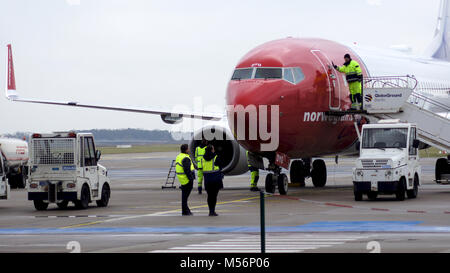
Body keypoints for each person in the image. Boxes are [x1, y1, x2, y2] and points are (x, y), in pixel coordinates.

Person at [202, 145, 224, 217]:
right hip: (215, 179)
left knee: (209, 196)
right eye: (213, 149)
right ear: (212, 150)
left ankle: (210, 211)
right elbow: (221, 166)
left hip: (207, 180)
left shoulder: (203, 158)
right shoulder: (215, 157)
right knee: (214, 196)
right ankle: (212, 211)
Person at [175, 144, 196, 216]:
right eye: (188, 149)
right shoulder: (186, 158)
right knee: (185, 197)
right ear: (186, 150)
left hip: (182, 179)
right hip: (186, 179)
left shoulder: (179, 156)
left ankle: (186, 210)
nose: (189, 150)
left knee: (184, 197)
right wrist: (191, 179)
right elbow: (187, 170)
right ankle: (185, 211)